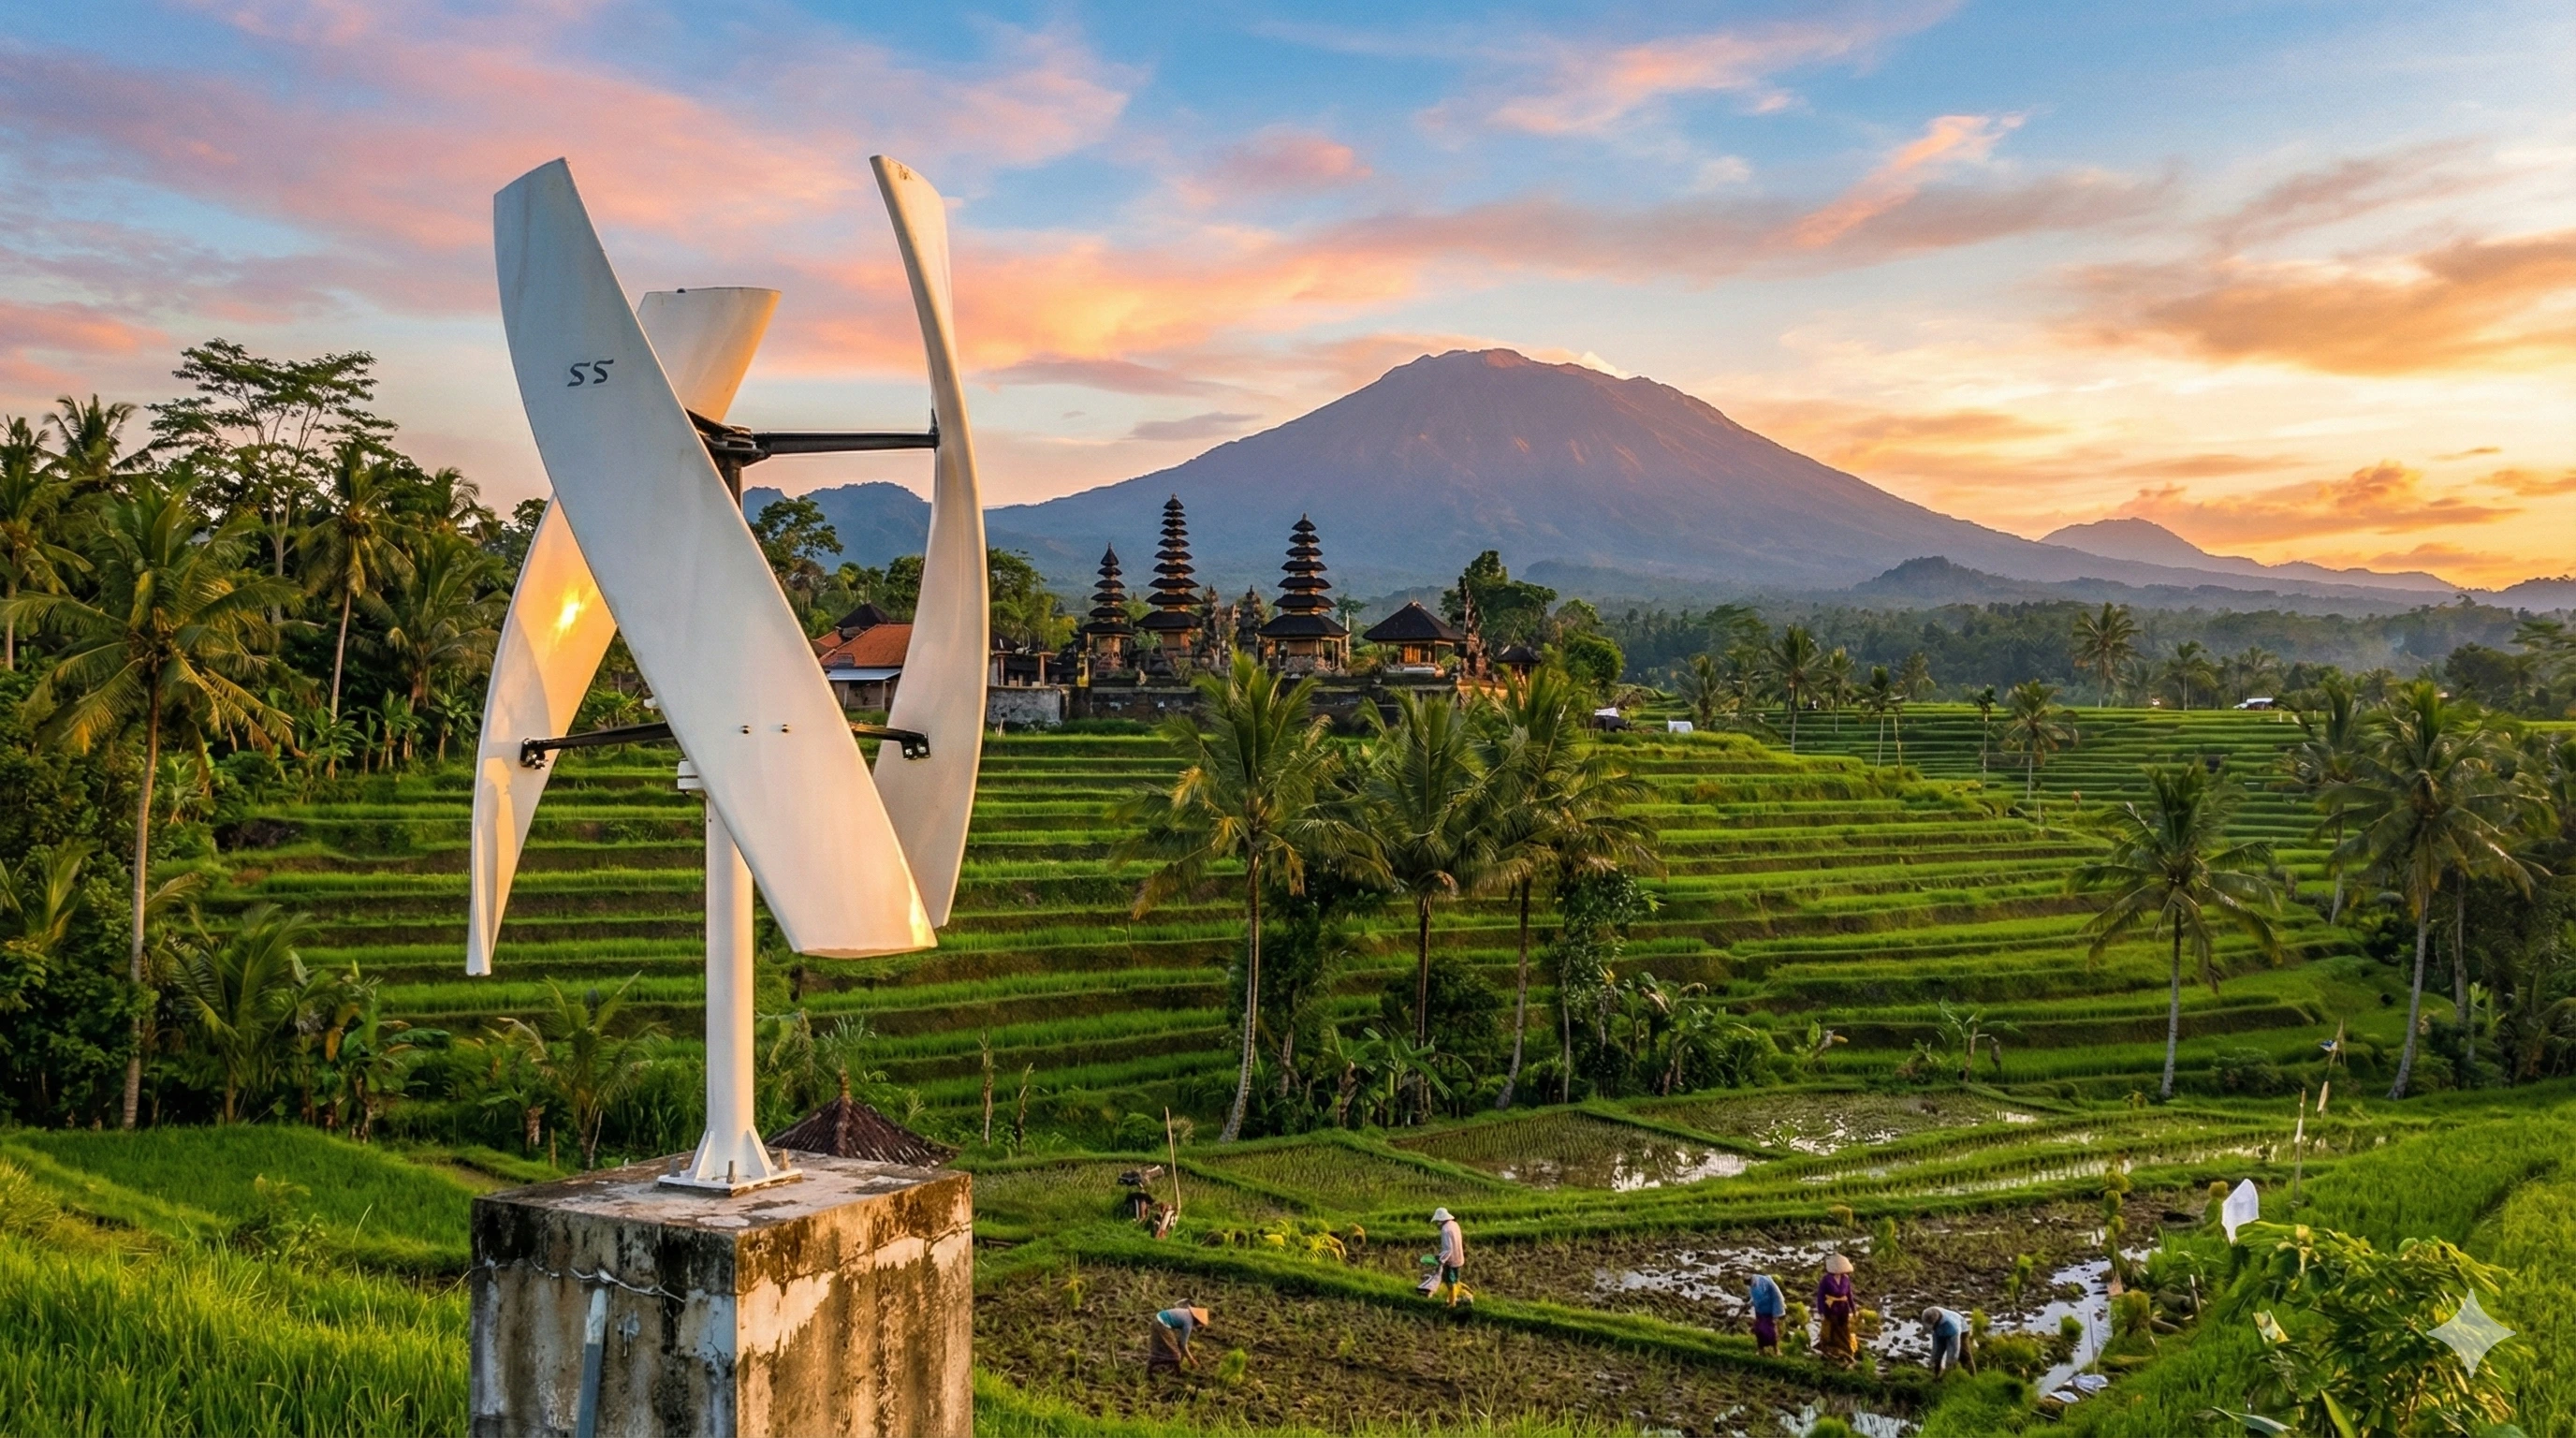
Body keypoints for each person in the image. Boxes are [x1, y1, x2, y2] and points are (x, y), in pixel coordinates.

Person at [1816, 1254, 1859, 1365]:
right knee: (1834, 1330)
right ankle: (1836, 1351)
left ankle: (1846, 1351)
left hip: (1843, 1309)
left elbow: (1849, 1294)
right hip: (1831, 1309)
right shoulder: (1826, 1280)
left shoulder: (1845, 1279)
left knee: (1844, 1329)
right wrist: (1821, 1311)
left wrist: (1853, 1309)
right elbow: (1820, 1296)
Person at [1147, 1304, 1210, 1373]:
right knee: (1175, 1354)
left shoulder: (1186, 1312)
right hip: (1162, 1324)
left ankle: (1150, 1368)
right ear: (1197, 1320)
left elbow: (1180, 1340)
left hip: (1157, 1320)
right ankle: (1176, 1372)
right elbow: (1183, 1344)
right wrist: (1191, 1360)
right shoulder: (1188, 1323)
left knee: (1161, 1347)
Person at [1431, 1207, 1471, 1306]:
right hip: (1459, 1257)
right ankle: (1466, 1295)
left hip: (1451, 1260)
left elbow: (1448, 1248)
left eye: (1438, 1221)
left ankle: (1452, 1303)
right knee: (1454, 1279)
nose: (1438, 1224)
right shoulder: (1454, 1224)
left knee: (1450, 1282)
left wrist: (1441, 1259)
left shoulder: (1445, 1230)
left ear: (1441, 1220)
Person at [1924, 1306, 1971, 1376]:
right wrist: (1933, 1360)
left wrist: (1950, 1365)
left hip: (1960, 1330)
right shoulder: (1928, 1313)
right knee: (1937, 1354)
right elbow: (1936, 1348)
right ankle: (1935, 1376)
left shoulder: (1953, 1326)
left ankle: (1971, 1376)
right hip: (1940, 1328)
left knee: (1963, 1355)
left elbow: (1955, 1352)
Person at [1748, 1272, 1787, 1356]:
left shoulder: (1766, 1281)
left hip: (1769, 1312)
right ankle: (1761, 1350)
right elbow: (1754, 1297)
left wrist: (1777, 1313)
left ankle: (1776, 1350)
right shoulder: (1752, 1285)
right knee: (1758, 1330)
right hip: (1759, 1311)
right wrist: (1750, 1303)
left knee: (1771, 1331)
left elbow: (1777, 1296)